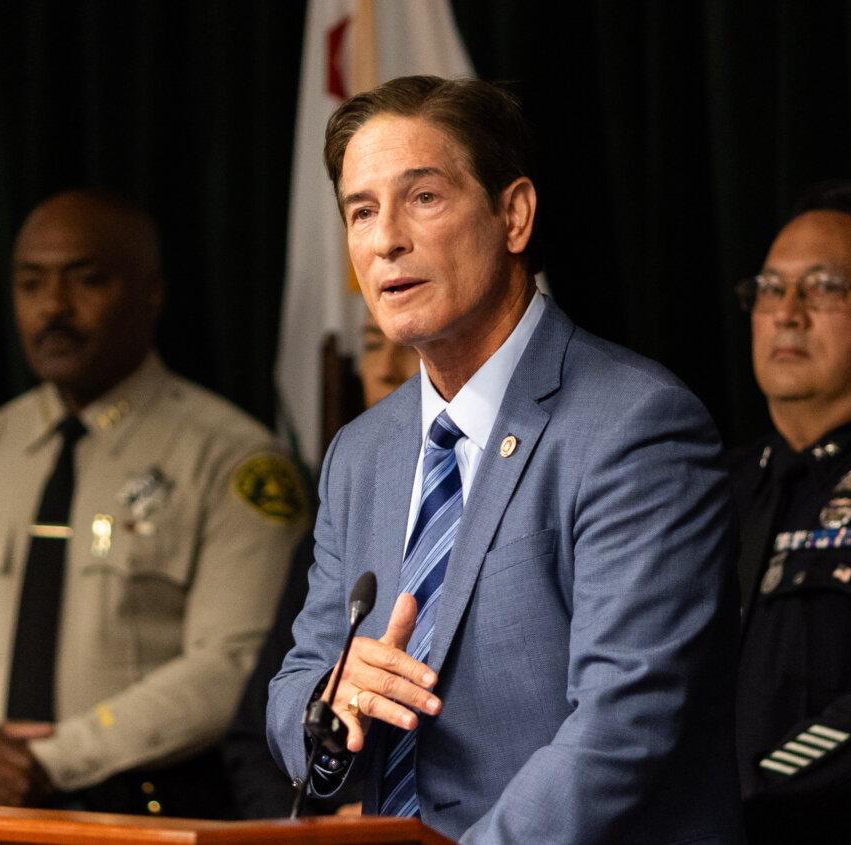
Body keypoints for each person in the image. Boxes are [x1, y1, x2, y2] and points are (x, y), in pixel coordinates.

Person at [266, 76, 742, 843]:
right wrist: (333, 701)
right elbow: (296, 688)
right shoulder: (360, 453)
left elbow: (619, 730)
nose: (386, 239)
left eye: (423, 197)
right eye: (362, 211)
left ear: (513, 214)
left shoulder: (635, 426)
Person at [0, 190, 307, 817]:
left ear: (151, 293)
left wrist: (53, 761)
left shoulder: (232, 462)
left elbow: (234, 664)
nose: (53, 307)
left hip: (151, 815)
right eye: (31, 284)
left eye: (87, 280)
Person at [731, 182, 851, 842]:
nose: (787, 312)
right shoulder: (713, 486)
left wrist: (746, 786)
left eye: (825, 287)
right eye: (770, 288)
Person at [224, 316, 417, 818]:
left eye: (411, 347)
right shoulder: (338, 511)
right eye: (373, 346)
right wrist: (322, 828)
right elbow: (255, 737)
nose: (387, 369)